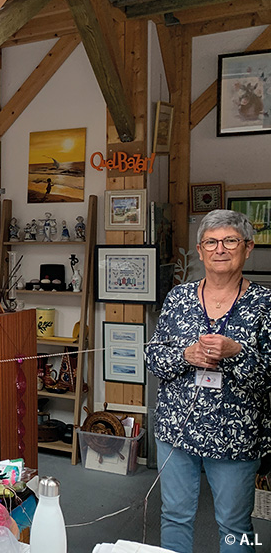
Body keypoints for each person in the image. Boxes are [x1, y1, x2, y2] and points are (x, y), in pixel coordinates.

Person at [146, 209, 270, 553]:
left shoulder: (264, 304)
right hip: (177, 429)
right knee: (174, 515)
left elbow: (268, 375)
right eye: (211, 242)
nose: (220, 249)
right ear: (200, 251)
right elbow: (153, 357)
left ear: (247, 248)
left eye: (230, 241)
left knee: (236, 524)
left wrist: (236, 353)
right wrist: (186, 355)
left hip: (236, 437)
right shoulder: (179, 298)